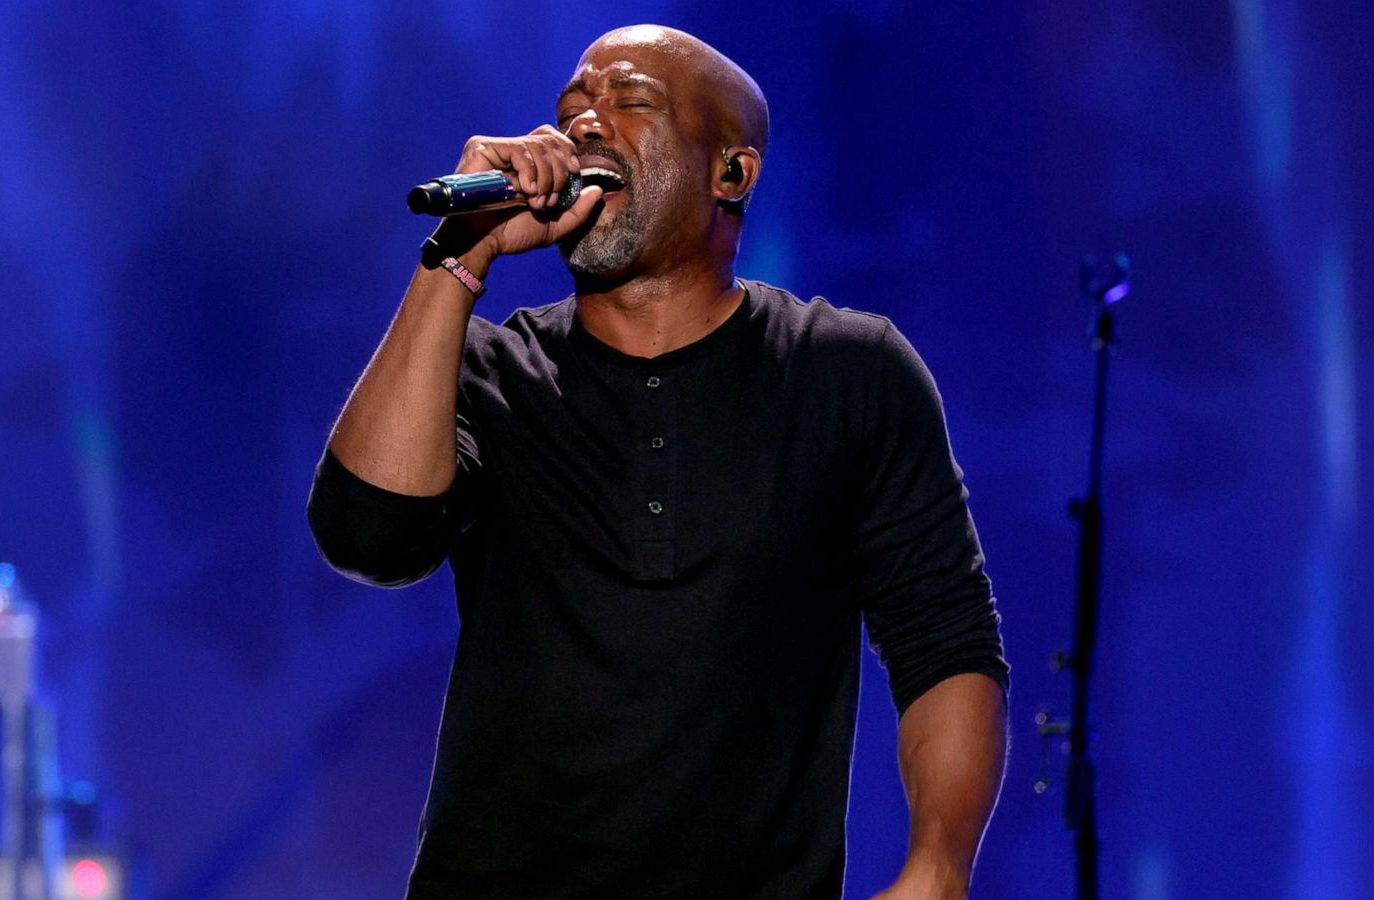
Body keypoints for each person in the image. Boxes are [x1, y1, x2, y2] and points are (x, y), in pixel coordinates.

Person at [307, 24, 1009, 900]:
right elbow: (368, 536)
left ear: (732, 173)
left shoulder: (848, 371)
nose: (585, 126)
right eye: (572, 111)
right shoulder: (490, 367)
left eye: (629, 101)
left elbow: (944, 643)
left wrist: (938, 867)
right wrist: (459, 255)